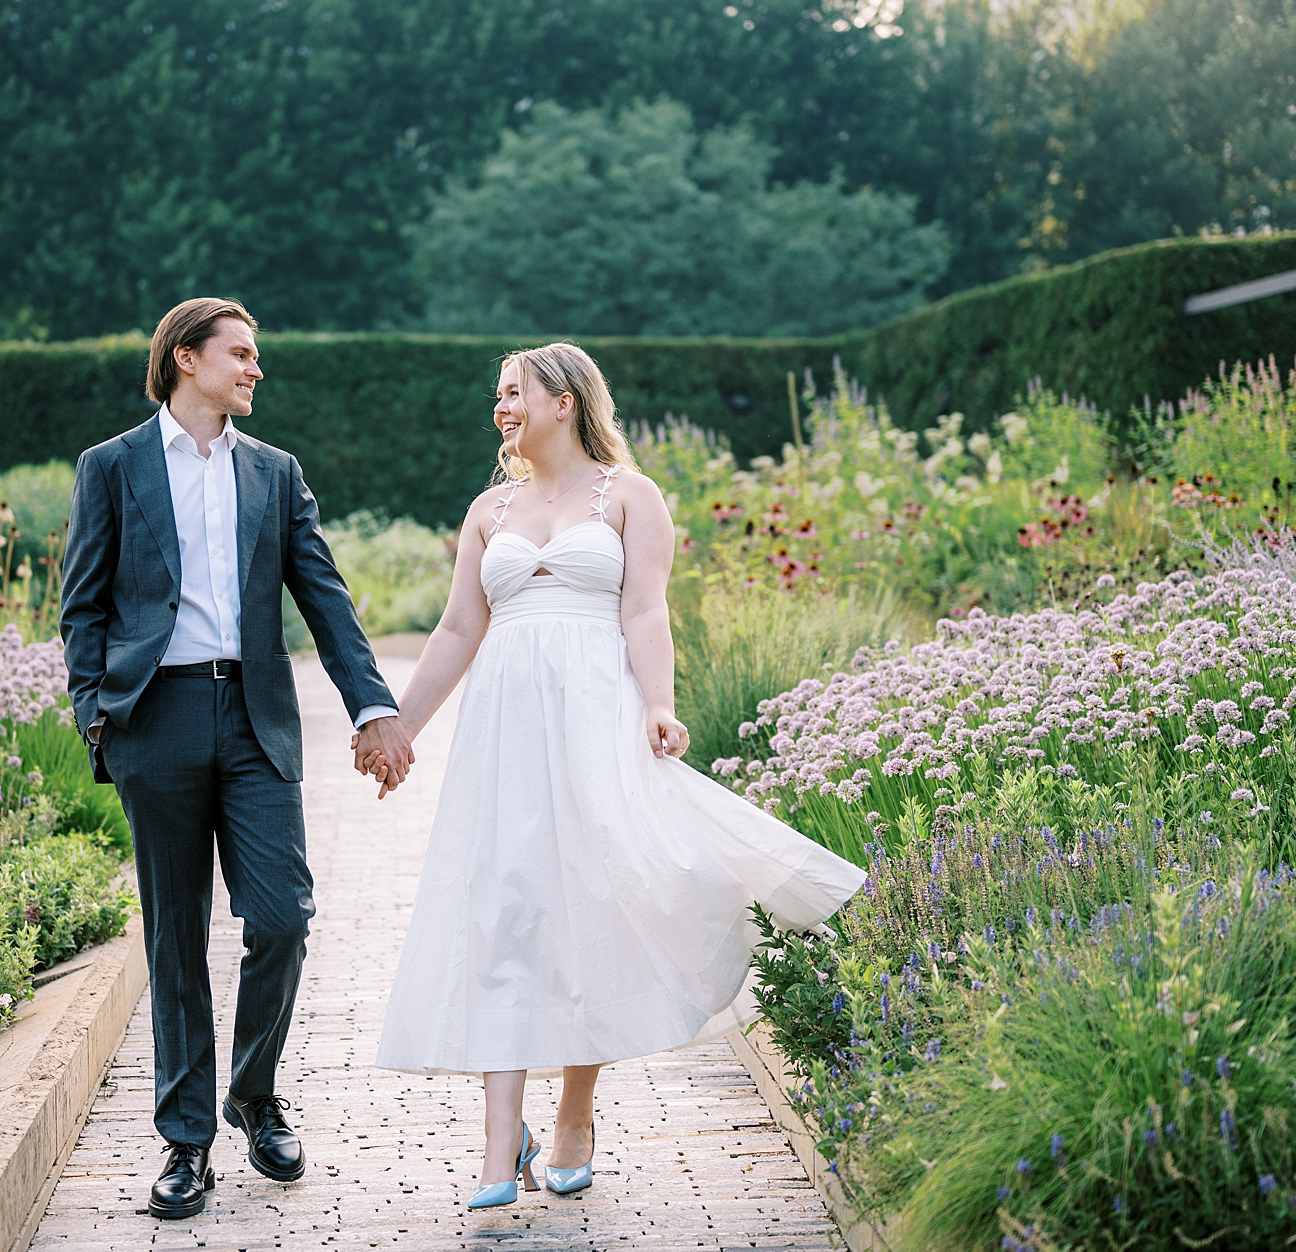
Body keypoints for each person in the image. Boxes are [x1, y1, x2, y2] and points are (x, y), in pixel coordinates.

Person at [358, 341, 867, 1209]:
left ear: (566, 399)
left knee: (590, 904)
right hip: (506, 731)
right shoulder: (488, 510)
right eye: (497, 395)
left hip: (597, 714)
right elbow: (454, 631)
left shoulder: (630, 497)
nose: (502, 407)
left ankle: (574, 1114)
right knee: (503, 906)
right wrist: (400, 725)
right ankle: (495, 1144)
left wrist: (658, 706)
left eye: (515, 392)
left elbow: (644, 610)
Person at [59, 297, 417, 1220]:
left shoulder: (275, 472)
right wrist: (99, 718)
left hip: (256, 721)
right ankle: (185, 1145)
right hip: (155, 721)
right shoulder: (112, 467)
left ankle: (253, 1094)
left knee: (284, 916)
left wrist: (373, 705)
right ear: (186, 359)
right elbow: (82, 607)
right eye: (242, 355)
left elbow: (326, 599)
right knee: (174, 940)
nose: (257, 370)